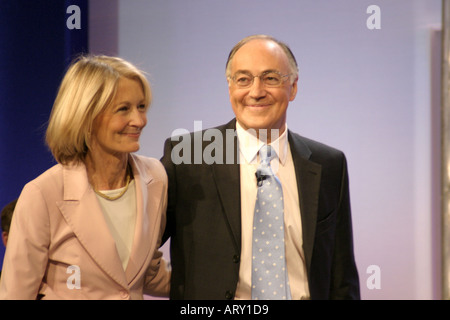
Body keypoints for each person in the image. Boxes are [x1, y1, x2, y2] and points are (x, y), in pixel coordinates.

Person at [161, 34, 360, 300]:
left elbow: (341, 277)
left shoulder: (329, 164)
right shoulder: (189, 156)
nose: (256, 91)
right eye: (243, 79)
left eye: (271, 78)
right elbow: (139, 245)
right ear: (229, 87)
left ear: (293, 87)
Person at [0, 55, 170, 300]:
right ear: (86, 116)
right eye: (124, 109)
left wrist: (231, 283)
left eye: (141, 107)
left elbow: (148, 275)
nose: (139, 120)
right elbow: (16, 294)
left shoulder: (156, 177)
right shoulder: (43, 194)